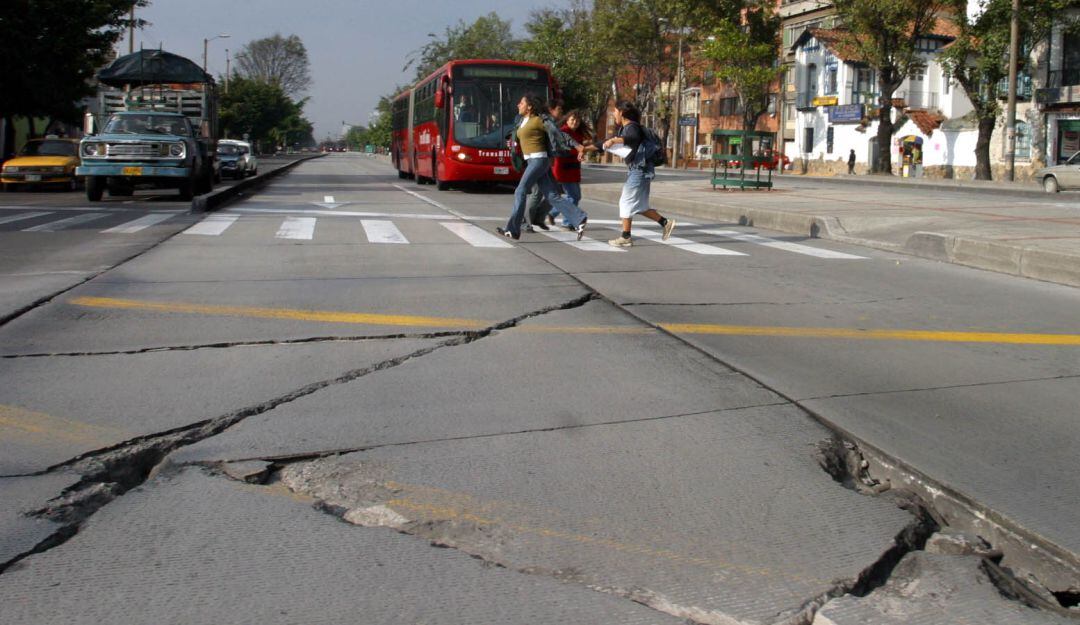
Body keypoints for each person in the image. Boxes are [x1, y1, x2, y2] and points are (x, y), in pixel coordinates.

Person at [496, 94, 587, 241]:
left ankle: (513, 229)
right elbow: (518, 137)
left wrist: (578, 146)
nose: (518, 105)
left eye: (521, 103)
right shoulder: (521, 121)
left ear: (529, 106)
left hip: (538, 160)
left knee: (520, 191)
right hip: (532, 161)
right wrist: (512, 142)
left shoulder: (539, 120)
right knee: (552, 196)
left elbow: (559, 134)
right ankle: (579, 218)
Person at [600, 101, 674, 248]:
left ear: (621, 112)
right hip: (641, 170)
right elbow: (610, 144)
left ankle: (625, 237)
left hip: (639, 170)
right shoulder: (626, 128)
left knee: (625, 202)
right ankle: (666, 223)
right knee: (640, 206)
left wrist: (614, 140)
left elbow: (632, 138)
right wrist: (586, 148)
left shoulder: (631, 127)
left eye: (615, 111)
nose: (614, 114)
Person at [547, 109, 597, 228]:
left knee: (574, 196)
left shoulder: (578, 133)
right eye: (572, 119)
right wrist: (580, 151)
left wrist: (583, 149)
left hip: (574, 168)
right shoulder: (563, 132)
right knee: (574, 196)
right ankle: (566, 221)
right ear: (567, 120)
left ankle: (554, 213)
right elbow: (564, 149)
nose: (575, 122)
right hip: (563, 168)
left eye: (577, 120)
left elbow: (579, 147)